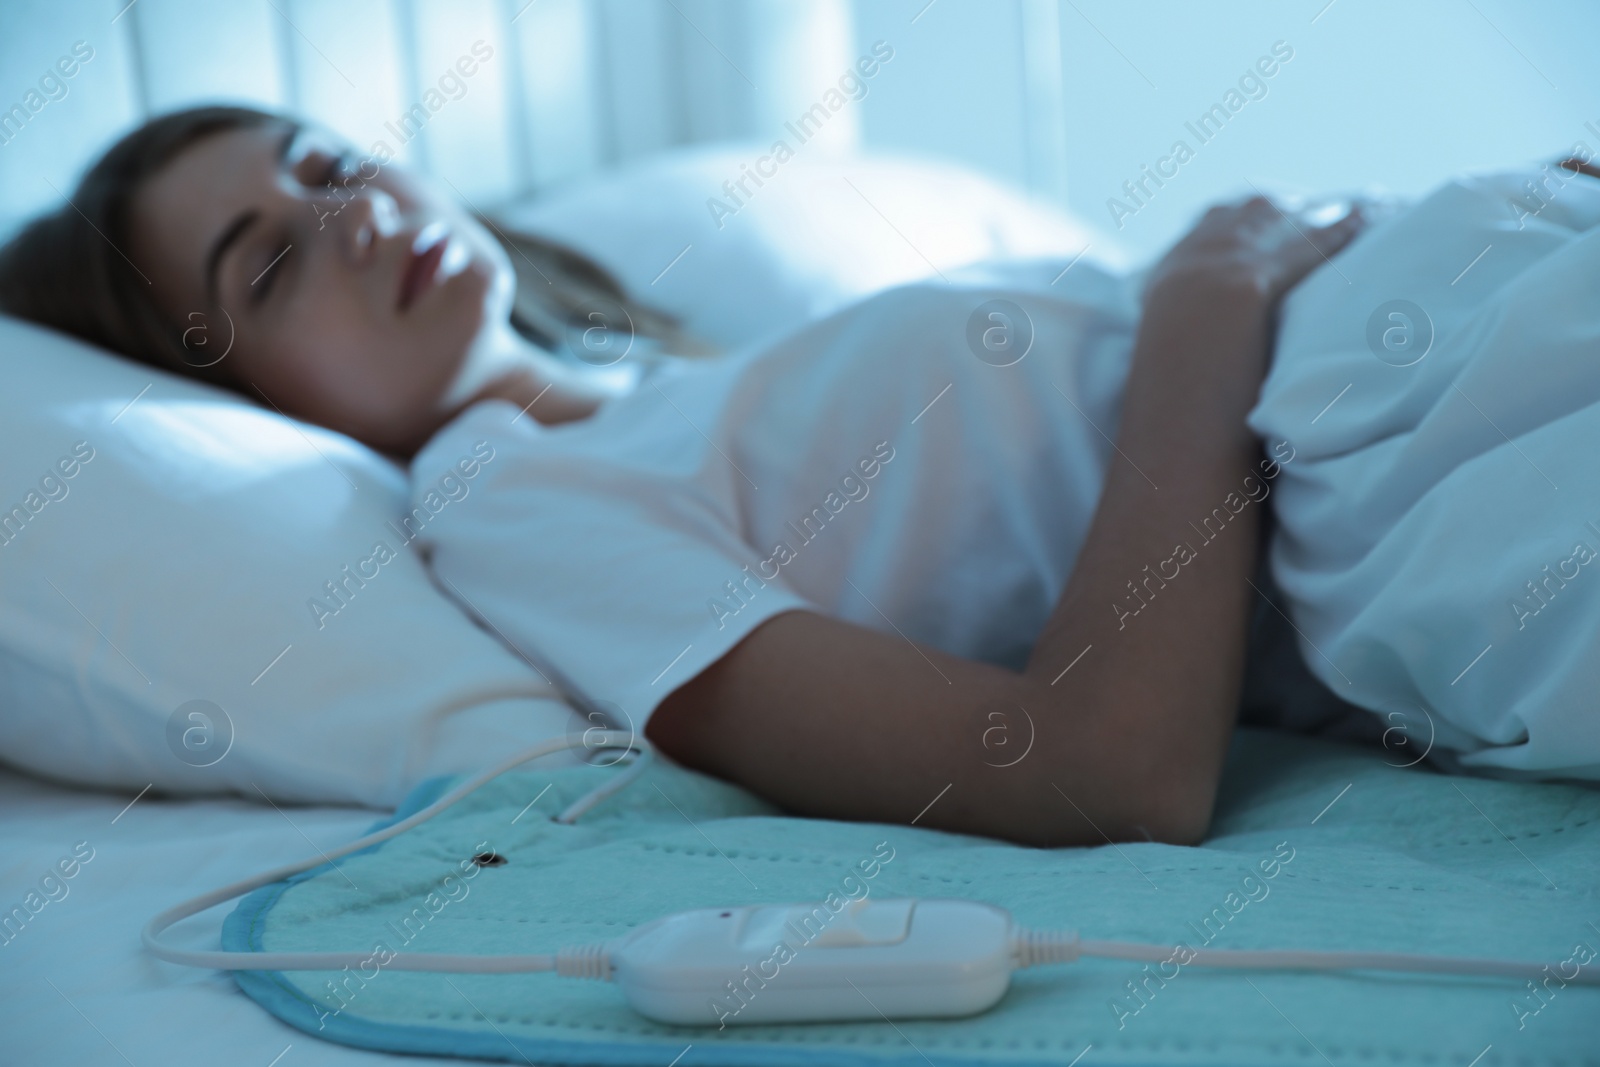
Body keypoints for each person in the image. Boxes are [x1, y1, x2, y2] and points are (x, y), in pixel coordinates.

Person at [0, 105, 1367, 848]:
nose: (352, 215)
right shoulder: (505, 506)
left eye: (330, 165)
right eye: (275, 265)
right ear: (243, 401)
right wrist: (1208, 300)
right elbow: (1103, 772)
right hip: (1373, 450)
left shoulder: (676, 393)